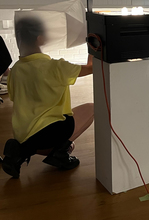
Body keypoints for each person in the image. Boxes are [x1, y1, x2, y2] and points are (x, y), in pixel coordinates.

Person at [1, 16, 94, 178]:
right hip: (47, 135)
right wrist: (93, 44)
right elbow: (91, 67)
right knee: (92, 109)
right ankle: (57, 153)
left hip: (23, 134)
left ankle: (21, 151)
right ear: (40, 39)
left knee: (68, 143)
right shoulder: (55, 67)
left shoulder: (15, 70)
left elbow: (15, 97)